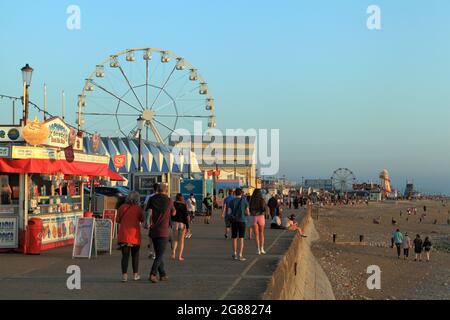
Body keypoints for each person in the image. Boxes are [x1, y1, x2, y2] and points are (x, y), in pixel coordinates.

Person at [147, 183, 176, 283]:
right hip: (164, 230)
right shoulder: (168, 200)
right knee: (160, 255)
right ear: (166, 190)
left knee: (158, 252)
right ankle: (152, 274)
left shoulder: (152, 199)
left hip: (154, 229)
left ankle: (162, 274)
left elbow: (147, 210)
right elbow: (173, 212)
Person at [116, 191, 144, 282]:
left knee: (125, 256)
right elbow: (142, 219)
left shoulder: (121, 207)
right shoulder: (138, 208)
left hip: (124, 235)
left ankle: (124, 276)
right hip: (135, 236)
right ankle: (135, 275)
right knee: (135, 255)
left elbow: (117, 220)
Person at [227, 188, 250, 261]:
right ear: (241, 194)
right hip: (242, 221)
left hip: (234, 221)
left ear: (235, 193)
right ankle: (240, 255)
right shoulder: (245, 201)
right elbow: (248, 213)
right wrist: (244, 213)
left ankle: (234, 254)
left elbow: (228, 212)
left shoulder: (231, 201)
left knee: (234, 238)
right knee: (241, 238)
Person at [249, 189, 267, 255]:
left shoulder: (251, 200)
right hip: (261, 216)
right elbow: (264, 208)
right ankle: (262, 248)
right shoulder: (261, 199)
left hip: (253, 217)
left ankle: (258, 250)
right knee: (261, 233)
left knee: (256, 234)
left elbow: (250, 208)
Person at [171, 194, 189, 261]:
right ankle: (179, 256)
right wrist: (188, 227)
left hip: (174, 223)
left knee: (175, 239)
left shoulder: (173, 204)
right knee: (181, 241)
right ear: (182, 198)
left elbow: (171, 214)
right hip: (182, 224)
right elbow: (185, 217)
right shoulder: (184, 205)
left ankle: (173, 253)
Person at [144, 183, 159, 260]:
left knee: (151, 235)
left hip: (151, 219)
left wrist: (145, 220)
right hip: (160, 220)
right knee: (158, 237)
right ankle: (156, 253)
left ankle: (151, 252)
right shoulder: (163, 197)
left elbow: (145, 207)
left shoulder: (149, 197)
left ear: (153, 189)